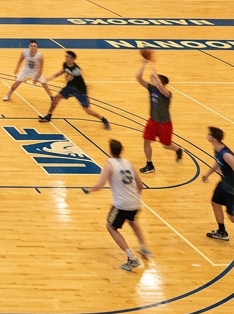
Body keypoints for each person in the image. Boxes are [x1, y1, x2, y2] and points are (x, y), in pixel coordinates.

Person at [83, 140, 151, 271]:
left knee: (111, 227)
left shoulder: (109, 165)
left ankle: (131, 258)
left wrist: (88, 189)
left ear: (110, 150)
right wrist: (134, 198)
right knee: (132, 221)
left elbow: (99, 185)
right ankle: (143, 247)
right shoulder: (128, 163)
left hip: (121, 205)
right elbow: (140, 185)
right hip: (136, 202)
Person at [136, 51, 183, 173]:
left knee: (166, 145)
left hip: (165, 124)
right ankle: (149, 164)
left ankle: (177, 150)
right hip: (153, 121)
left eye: (157, 80)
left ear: (162, 83)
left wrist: (154, 74)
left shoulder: (167, 94)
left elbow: (161, 88)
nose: (153, 81)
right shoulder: (151, 89)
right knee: (146, 140)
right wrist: (145, 63)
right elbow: (138, 78)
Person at [38, 50, 110, 128]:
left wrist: (67, 77)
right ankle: (48, 116)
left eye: (68, 57)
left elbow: (71, 78)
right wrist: (48, 78)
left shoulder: (76, 69)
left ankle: (103, 119)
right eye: (66, 56)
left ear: (73, 59)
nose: (66, 58)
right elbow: (62, 72)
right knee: (56, 98)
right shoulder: (65, 64)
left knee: (87, 110)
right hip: (70, 87)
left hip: (80, 90)